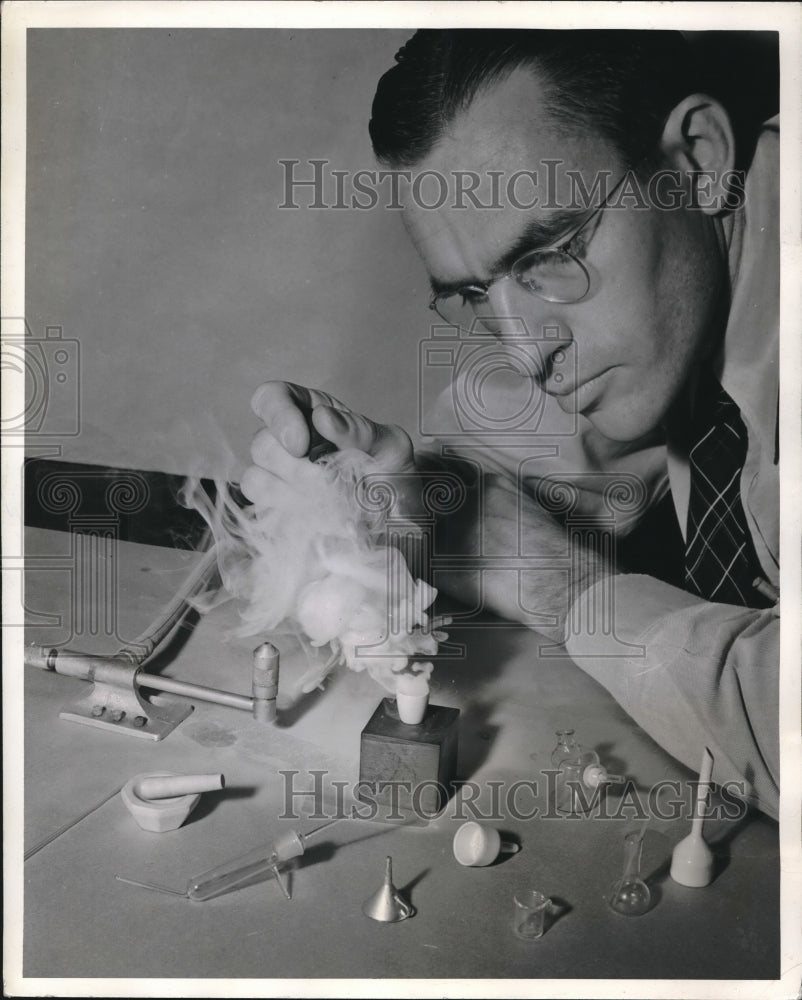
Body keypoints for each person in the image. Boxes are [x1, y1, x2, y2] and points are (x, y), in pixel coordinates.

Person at [241, 31, 780, 819]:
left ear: (697, 161)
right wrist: (379, 500)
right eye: (473, 295)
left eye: (550, 257)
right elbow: (488, 465)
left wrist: (559, 584)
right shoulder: (658, 300)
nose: (527, 351)